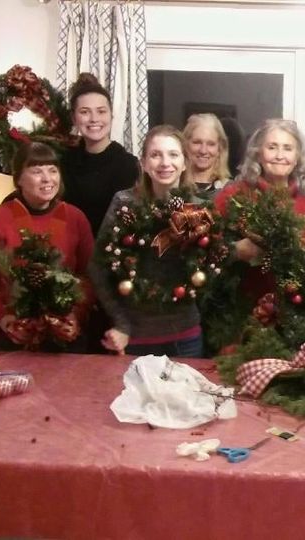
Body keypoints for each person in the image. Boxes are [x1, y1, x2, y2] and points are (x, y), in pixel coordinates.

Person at [89, 125, 204, 357]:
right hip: (134, 338)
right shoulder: (125, 204)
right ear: (143, 163)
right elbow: (98, 266)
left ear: (184, 163)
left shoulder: (197, 210)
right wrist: (121, 323)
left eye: (173, 154)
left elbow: (211, 265)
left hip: (186, 338)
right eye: (155, 155)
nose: (165, 163)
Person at [0, 143, 94, 350]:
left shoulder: (75, 218)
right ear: (18, 178)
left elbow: (88, 276)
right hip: (8, 335)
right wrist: (3, 319)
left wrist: (75, 315)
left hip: (61, 334)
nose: (47, 179)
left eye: (52, 170)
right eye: (36, 171)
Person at [214, 119, 305, 300]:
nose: (280, 155)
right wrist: (235, 251)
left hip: (298, 306)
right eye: (272, 147)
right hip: (244, 306)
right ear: (258, 153)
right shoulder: (234, 195)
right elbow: (205, 250)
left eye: (288, 148)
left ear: (297, 157)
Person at [60, 73, 139, 234]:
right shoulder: (64, 161)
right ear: (73, 118)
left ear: (111, 115)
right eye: (85, 112)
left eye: (101, 111)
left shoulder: (128, 165)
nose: (94, 119)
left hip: (110, 247)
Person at [183, 113, 231, 199]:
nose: (203, 151)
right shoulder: (173, 187)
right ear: (186, 144)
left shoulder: (233, 191)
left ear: (220, 148)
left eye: (211, 144)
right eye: (197, 142)